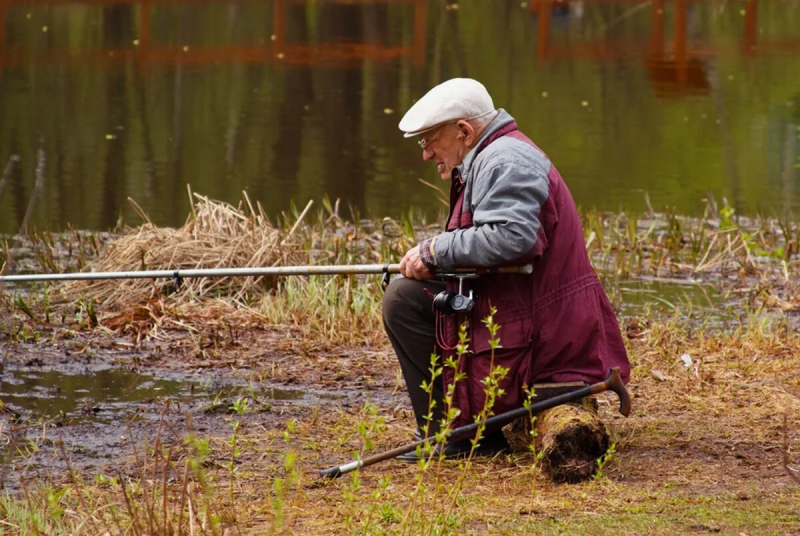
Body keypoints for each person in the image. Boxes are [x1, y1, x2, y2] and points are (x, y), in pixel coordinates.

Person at [382, 78, 631, 461]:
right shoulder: (495, 155)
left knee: (402, 300)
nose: (427, 154)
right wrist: (439, 265)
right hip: (533, 311)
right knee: (411, 293)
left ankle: (460, 437)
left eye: (430, 140)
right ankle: (458, 430)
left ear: (464, 131)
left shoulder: (506, 161)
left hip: (547, 330)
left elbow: (514, 238)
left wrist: (435, 251)